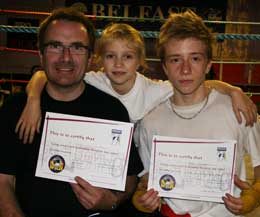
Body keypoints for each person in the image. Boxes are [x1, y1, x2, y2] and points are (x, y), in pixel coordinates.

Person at [0, 7, 143, 217]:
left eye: (77, 47)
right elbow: (3, 182)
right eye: (55, 46)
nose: (65, 57)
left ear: (90, 57)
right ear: (40, 54)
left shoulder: (111, 109)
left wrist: (112, 200)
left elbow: (130, 178)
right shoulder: (16, 108)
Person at [15, 24, 257, 145]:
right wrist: (33, 100)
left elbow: (196, 82)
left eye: (127, 57)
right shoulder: (96, 79)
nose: (118, 65)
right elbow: (43, 76)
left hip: (137, 163)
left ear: (140, 62)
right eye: (111, 56)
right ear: (99, 60)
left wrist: (234, 91)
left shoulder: (153, 89)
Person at [136, 10, 260, 216]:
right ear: (165, 67)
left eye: (194, 58)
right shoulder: (150, 121)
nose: (185, 70)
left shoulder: (237, 109)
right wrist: (142, 200)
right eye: (176, 60)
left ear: (208, 64)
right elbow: (145, 182)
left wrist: (253, 197)